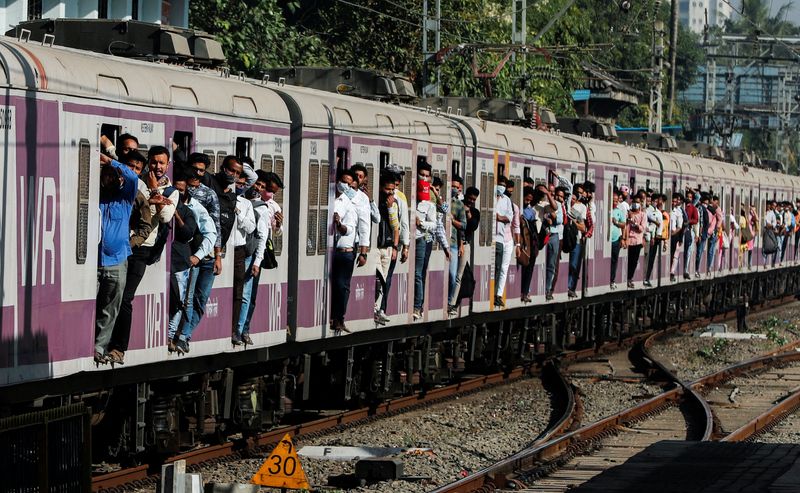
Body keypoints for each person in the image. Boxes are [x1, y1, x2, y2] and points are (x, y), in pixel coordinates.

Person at [108, 146, 179, 363]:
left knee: (126, 297)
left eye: (162, 163)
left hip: (142, 248)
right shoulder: (136, 181)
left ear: (168, 165)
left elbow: (166, 216)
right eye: (154, 162)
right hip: (120, 242)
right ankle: (103, 341)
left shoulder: (171, 191)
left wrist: (155, 190)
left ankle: (119, 348)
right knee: (111, 293)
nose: (157, 167)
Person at [181, 155, 244, 351]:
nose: (197, 174)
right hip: (191, 253)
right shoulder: (181, 190)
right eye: (194, 169)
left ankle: (187, 332)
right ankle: (182, 335)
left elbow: (215, 224)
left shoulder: (209, 194)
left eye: (201, 170)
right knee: (188, 297)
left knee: (201, 299)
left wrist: (218, 256)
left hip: (209, 254)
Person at [95, 153, 138, 364]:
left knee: (110, 309)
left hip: (116, 260)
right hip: (93, 262)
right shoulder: (97, 197)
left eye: (114, 176)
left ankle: (99, 347)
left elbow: (133, 178)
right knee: (92, 306)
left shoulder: (125, 198)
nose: (111, 180)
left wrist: (111, 161)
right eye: (107, 176)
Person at [167, 172, 217, 353]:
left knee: (191, 300)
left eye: (181, 190)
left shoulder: (195, 208)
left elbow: (211, 233)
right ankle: (177, 335)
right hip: (180, 259)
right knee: (184, 299)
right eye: (175, 190)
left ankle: (182, 336)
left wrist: (198, 256)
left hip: (192, 259)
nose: (177, 194)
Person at [234, 171, 284, 344]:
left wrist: (278, 224)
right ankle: (239, 328)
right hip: (245, 250)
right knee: (243, 291)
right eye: (263, 186)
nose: (265, 191)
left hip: (255, 253)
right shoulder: (245, 200)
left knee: (250, 294)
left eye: (269, 190)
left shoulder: (271, 206)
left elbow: (272, 234)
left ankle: (244, 328)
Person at [380, 165, 410, 317]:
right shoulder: (381, 193)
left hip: (392, 243)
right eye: (394, 176)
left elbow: (403, 223)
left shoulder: (401, 197)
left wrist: (405, 246)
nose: (397, 180)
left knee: (388, 277)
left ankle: (382, 307)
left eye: (399, 177)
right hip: (380, 243)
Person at [331, 169, 359, 332]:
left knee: (341, 286)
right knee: (334, 285)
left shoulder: (347, 203)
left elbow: (349, 229)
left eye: (349, 184)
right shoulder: (329, 198)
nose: (345, 185)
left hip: (344, 252)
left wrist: (339, 225)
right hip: (330, 252)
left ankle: (339, 318)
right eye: (343, 181)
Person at [230, 175, 257, 345]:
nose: (240, 186)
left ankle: (234, 330)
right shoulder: (224, 199)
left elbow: (250, 227)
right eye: (237, 183)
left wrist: (238, 213)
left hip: (239, 251)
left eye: (242, 183)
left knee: (239, 292)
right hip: (225, 249)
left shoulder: (246, 204)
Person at [374, 172, 400, 325]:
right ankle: (375, 308)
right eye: (387, 189)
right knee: (378, 279)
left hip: (388, 247)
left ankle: (378, 309)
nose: (390, 193)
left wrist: (395, 247)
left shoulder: (393, 204)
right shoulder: (376, 203)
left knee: (384, 280)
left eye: (392, 190)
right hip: (377, 247)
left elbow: (395, 227)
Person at [450, 186, 480, 312]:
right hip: (453, 243)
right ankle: (450, 299)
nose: (471, 201)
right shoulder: (457, 205)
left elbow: (471, 226)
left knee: (459, 275)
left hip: (465, 245)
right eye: (469, 198)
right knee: (452, 274)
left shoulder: (475, 212)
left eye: (474, 199)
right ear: (466, 195)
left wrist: (468, 212)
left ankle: (453, 302)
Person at [413, 164, 436, 320]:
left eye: (427, 176)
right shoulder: (411, 196)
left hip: (424, 238)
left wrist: (421, 224)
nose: (424, 178)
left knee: (418, 273)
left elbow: (436, 223)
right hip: (411, 239)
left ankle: (417, 306)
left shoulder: (431, 201)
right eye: (421, 174)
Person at [350, 164, 379, 272]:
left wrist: (370, 200)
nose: (357, 178)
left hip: (353, 243)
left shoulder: (364, 197)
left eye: (360, 176)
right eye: (355, 175)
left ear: (365, 179)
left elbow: (376, 219)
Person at [493, 176, 514, 307]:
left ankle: (496, 294)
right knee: (495, 267)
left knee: (500, 267)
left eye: (503, 185)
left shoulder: (506, 200)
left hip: (501, 238)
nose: (501, 187)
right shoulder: (490, 196)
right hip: (491, 237)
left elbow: (509, 218)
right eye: (499, 184)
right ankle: (493, 293)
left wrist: (499, 217)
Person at [447, 176, 467, 313]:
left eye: (456, 187)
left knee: (453, 275)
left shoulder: (459, 205)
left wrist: (453, 221)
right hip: (442, 244)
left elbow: (463, 225)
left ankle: (449, 301)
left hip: (453, 243)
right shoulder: (442, 201)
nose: (454, 188)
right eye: (452, 186)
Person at [566, 183, 587, 298]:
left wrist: (572, 223)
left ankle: (570, 287)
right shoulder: (565, 207)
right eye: (572, 198)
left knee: (574, 265)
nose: (574, 199)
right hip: (565, 238)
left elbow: (583, 227)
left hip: (575, 239)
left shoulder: (580, 209)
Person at [520, 186, 539, 303]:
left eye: (530, 201)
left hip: (530, 242)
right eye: (526, 200)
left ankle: (525, 292)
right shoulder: (519, 210)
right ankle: (524, 292)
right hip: (523, 242)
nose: (528, 202)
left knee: (529, 268)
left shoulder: (531, 212)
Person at [625, 195, 646, 288]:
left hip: (637, 241)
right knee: (628, 260)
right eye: (634, 202)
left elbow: (642, 228)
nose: (635, 204)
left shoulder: (643, 215)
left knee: (634, 261)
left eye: (638, 202)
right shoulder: (628, 213)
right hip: (628, 239)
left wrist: (635, 223)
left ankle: (630, 278)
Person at [644, 191, 663, 287]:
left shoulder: (659, 213)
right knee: (646, 258)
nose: (655, 203)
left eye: (657, 201)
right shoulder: (647, 210)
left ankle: (647, 278)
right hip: (647, 237)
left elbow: (660, 226)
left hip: (655, 239)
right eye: (654, 201)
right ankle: (644, 278)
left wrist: (656, 237)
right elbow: (648, 223)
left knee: (651, 259)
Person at [610, 188, 627, 289]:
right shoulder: (608, 209)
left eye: (616, 201)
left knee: (614, 260)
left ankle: (612, 279)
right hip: (607, 239)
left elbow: (623, 224)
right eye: (613, 200)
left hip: (616, 239)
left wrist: (616, 222)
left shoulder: (619, 211)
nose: (615, 202)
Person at [683, 189, 699, 279]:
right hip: (681, 230)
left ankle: (686, 269)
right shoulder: (682, 206)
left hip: (689, 230)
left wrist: (689, 221)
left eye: (690, 197)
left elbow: (696, 220)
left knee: (688, 251)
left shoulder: (693, 207)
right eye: (687, 197)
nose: (689, 198)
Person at [669, 193, 685, 282]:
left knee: (674, 255)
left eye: (675, 201)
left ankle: (672, 272)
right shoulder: (668, 211)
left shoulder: (678, 212)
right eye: (672, 201)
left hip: (674, 235)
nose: (673, 203)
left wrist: (674, 234)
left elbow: (680, 226)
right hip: (668, 235)